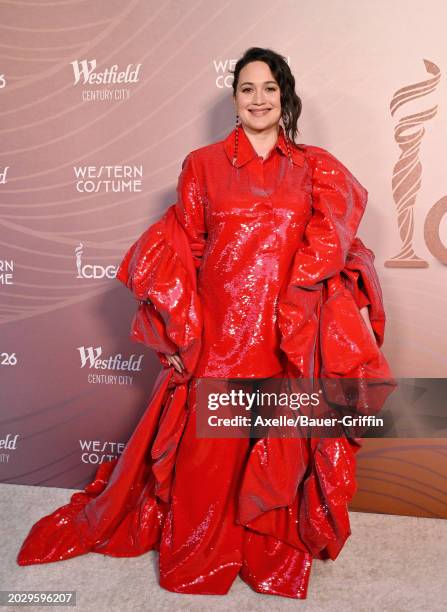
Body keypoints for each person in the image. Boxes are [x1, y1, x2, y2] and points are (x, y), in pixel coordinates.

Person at [16, 47, 394, 600]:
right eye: (247, 89)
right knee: (207, 454)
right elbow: (182, 250)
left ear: (285, 96)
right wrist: (176, 332)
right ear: (235, 99)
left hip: (287, 336)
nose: (258, 99)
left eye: (269, 88)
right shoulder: (202, 164)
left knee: (277, 446)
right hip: (219, 333)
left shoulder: (318, 167)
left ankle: (266, 545)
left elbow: (338, 245)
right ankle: (200, 548)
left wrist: (328, 307)